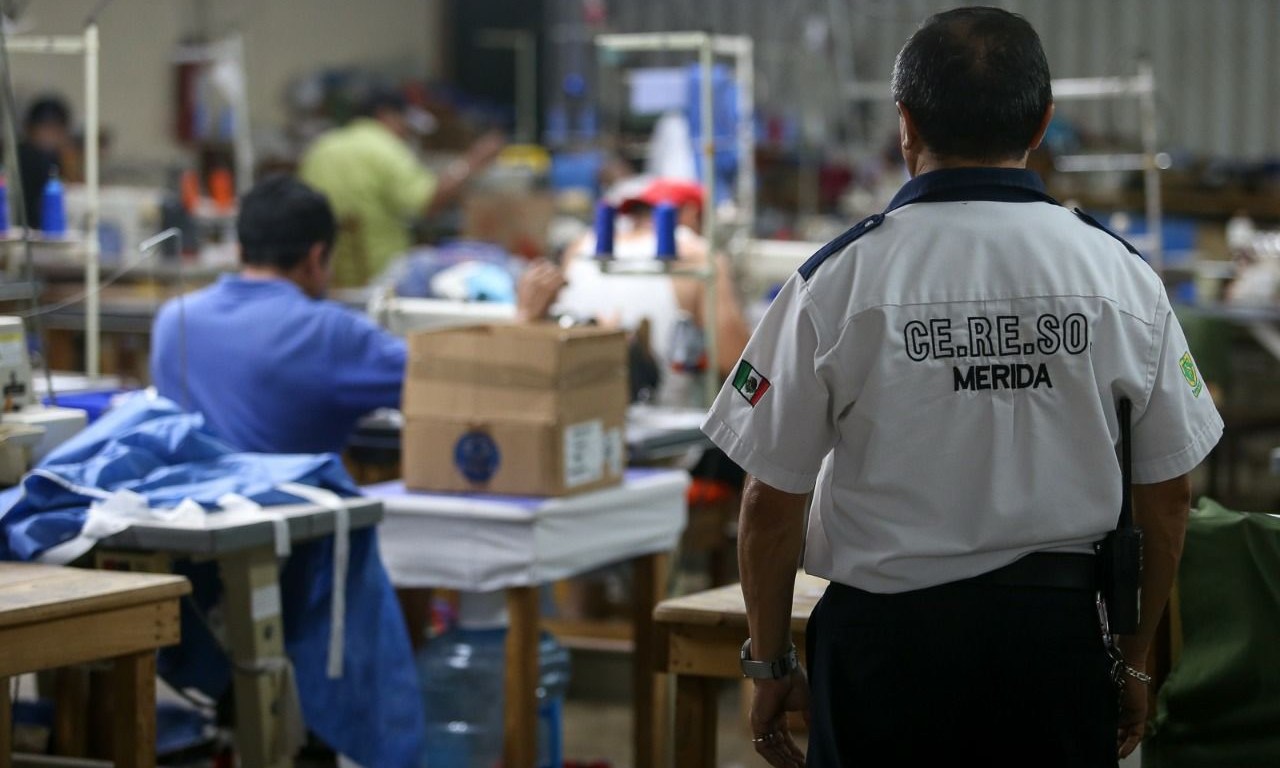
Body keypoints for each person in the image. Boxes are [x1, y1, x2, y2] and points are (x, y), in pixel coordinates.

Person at [702, 8, 1223, 767]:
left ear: (905, 124)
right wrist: (1134, 658)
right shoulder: (1120, 278)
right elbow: (1168, 493)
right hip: (1055, 648)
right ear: (1042, 122)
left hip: (884, 658)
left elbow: (769, 501)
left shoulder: (837, 284)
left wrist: (771, 661)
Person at [150, 173, 563, 453]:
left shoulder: (174, 320)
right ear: (317, 257)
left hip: (189, 528)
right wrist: (523, 324)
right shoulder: (326, 333)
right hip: (295, 536)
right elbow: (454, 379)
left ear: (240, 249)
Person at [557, 178, 751, 406]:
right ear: (691, 214)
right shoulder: (698, 256)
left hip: (575, 404)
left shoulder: (579, 248)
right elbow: (734, 361)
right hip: (662, 414)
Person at [298, 88, 505, 287]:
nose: (406, 132)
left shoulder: (321, 148)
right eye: (404, 122)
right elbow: (428, 203)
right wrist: (474, 161)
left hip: (326, 279)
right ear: (385, 115)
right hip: (381, 276)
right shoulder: (384, 148)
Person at [17, 95, 72, 228]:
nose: (50, 135)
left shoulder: (56, 159)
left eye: (55, 129)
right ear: (30, 130)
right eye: (45, 128)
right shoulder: (25, 158)